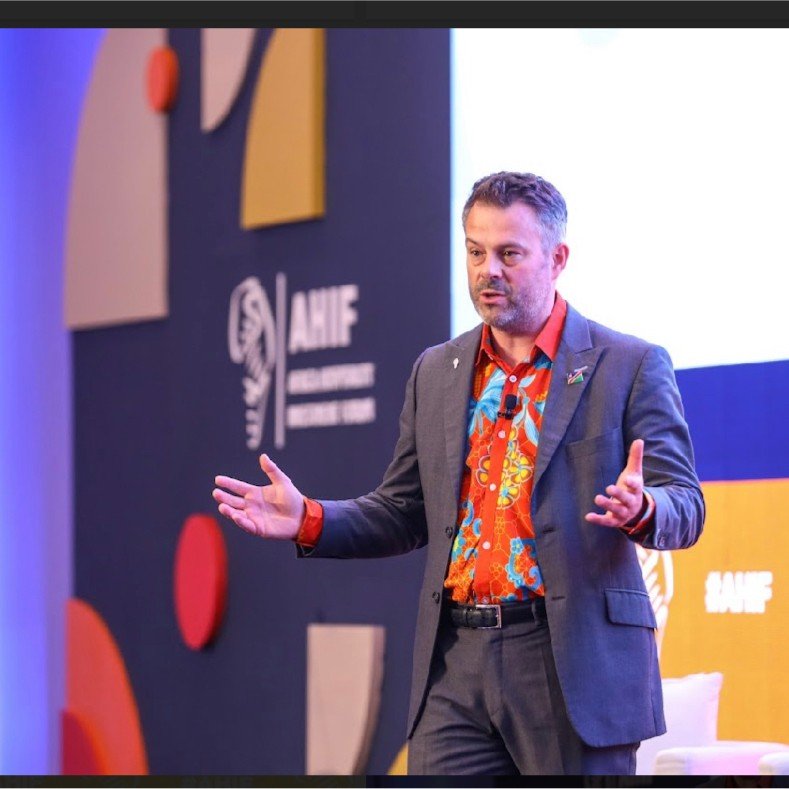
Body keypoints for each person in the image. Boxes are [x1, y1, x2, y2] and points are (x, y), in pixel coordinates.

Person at [213, 171, 705, 776]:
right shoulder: (437, 370)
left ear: (557, 259)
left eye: (509, 254)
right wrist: (310, 518)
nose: (487, 271)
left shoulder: (627, 364)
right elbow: (403, 511)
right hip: (455, 662)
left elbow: (686, 504)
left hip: (568, 662)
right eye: (475, 252)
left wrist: (645, 508)